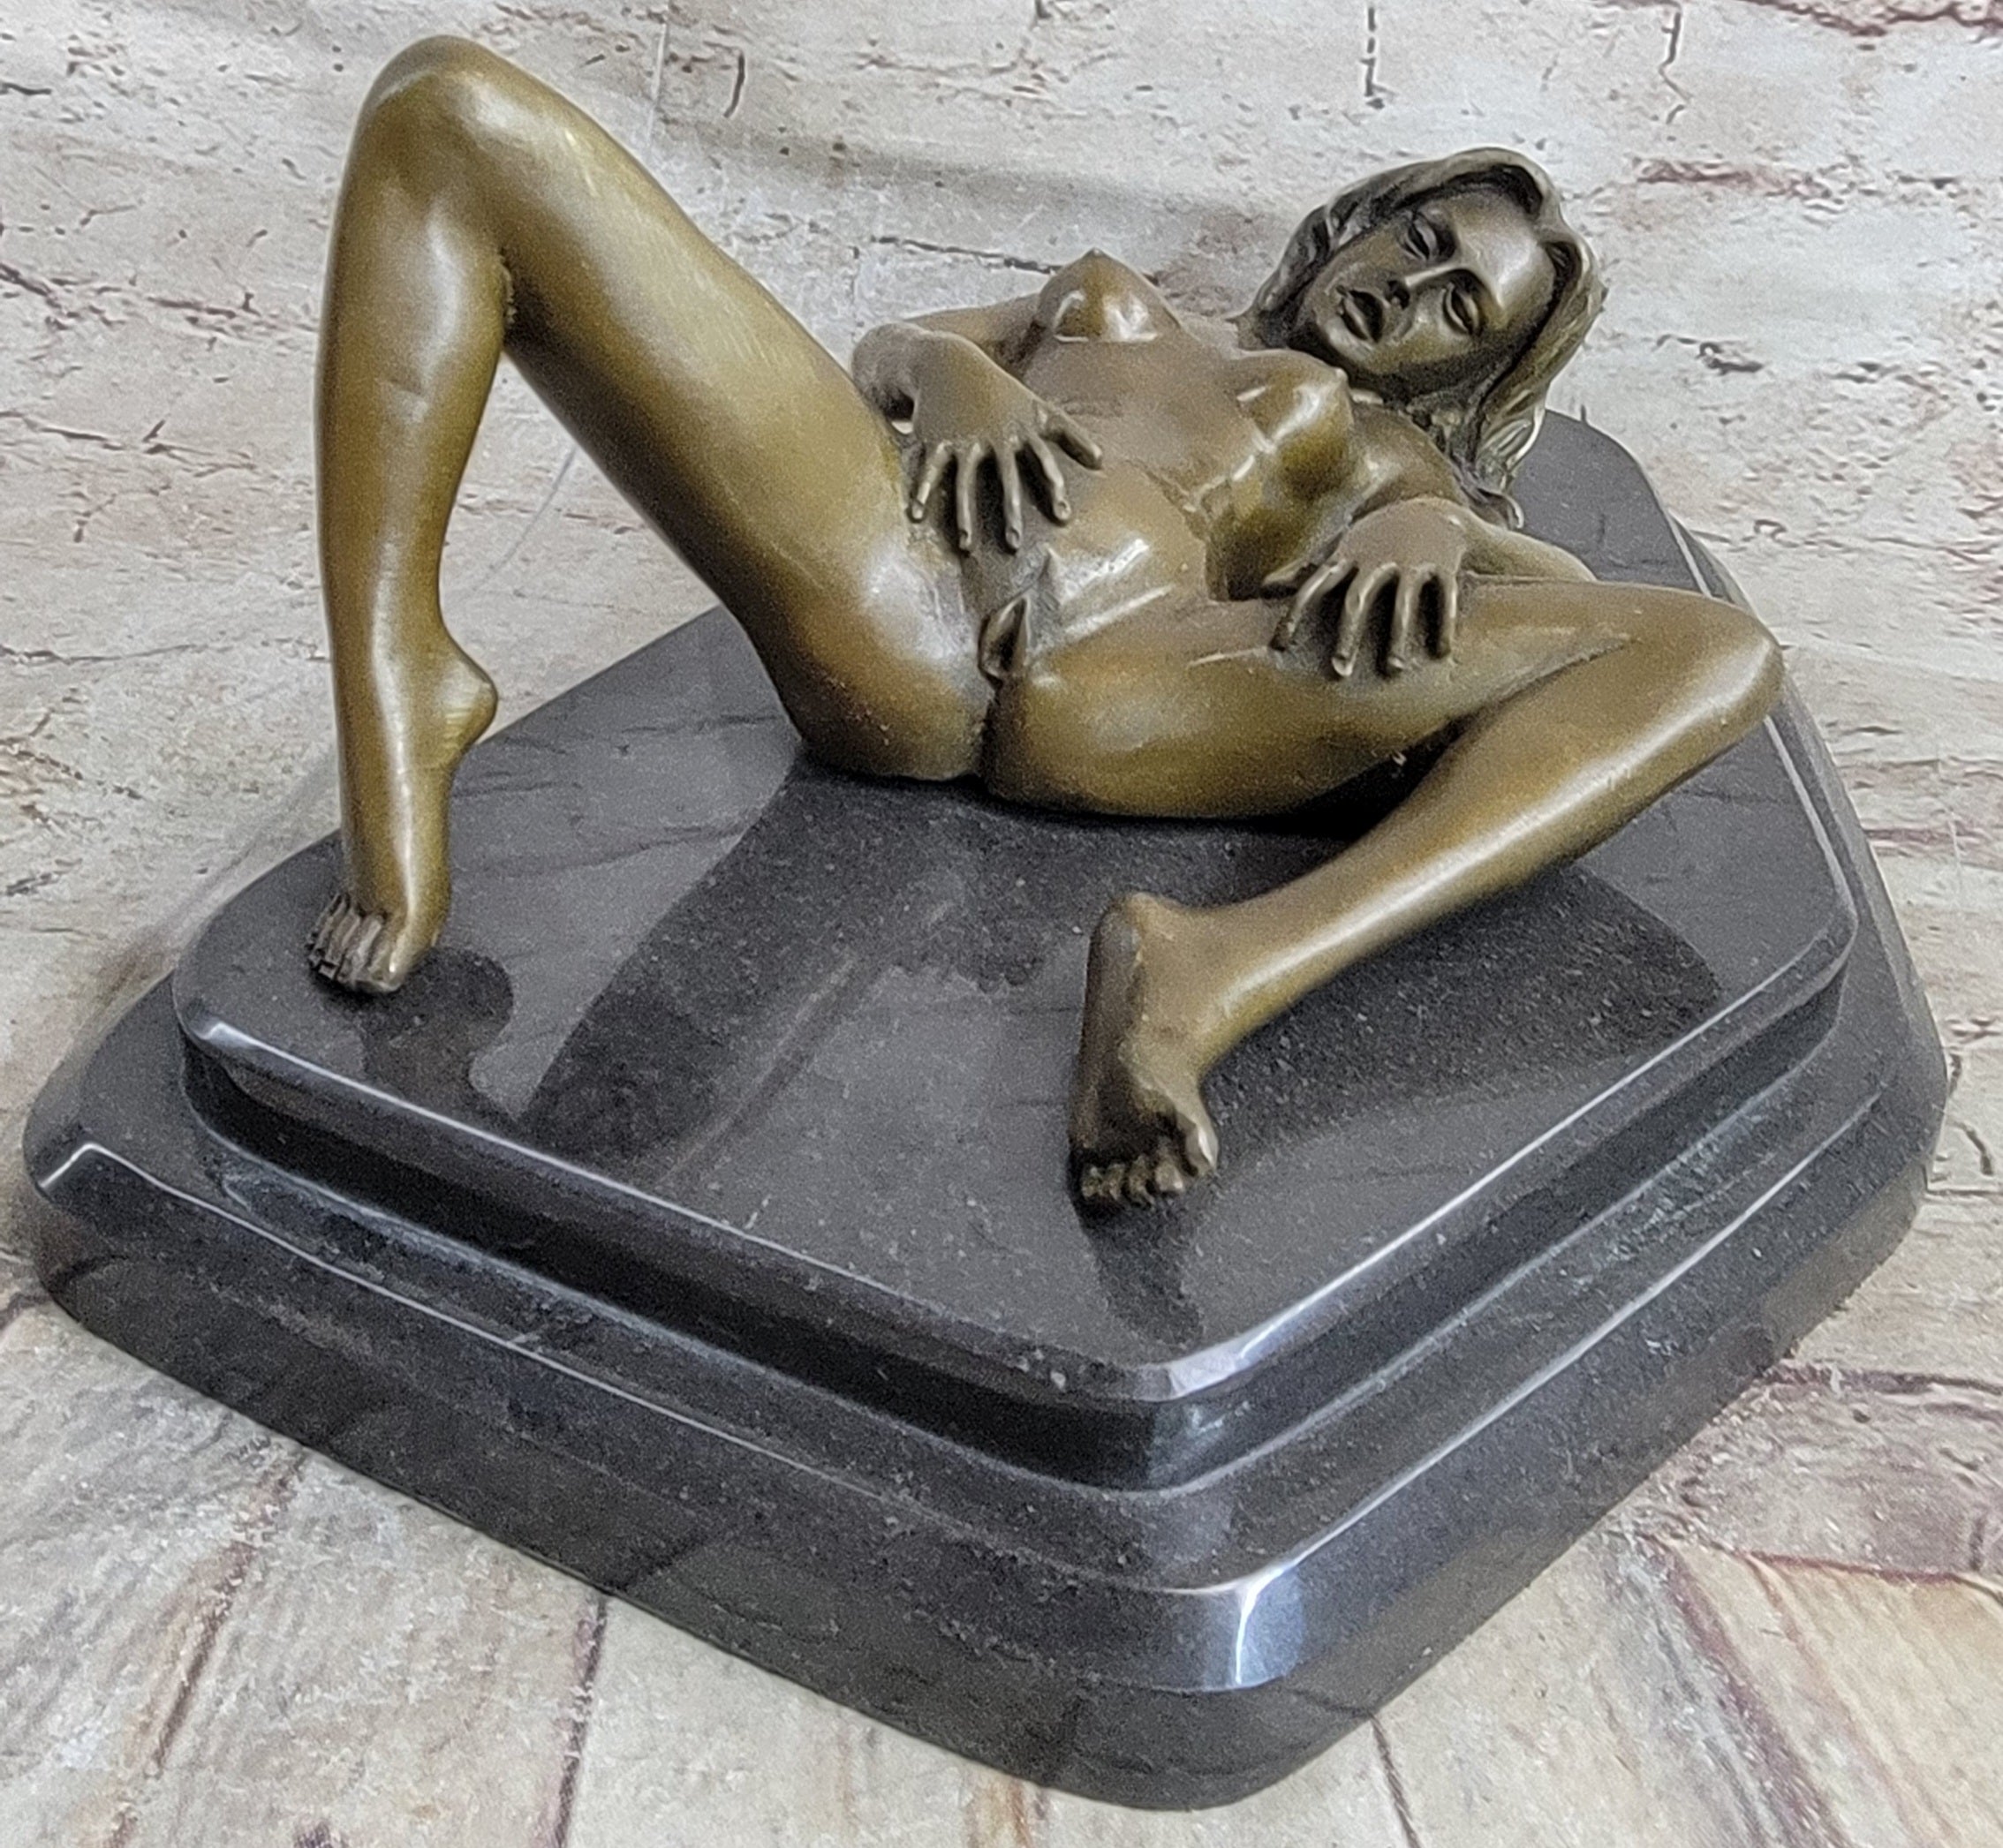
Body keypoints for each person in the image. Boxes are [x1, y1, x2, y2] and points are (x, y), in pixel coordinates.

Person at [306, 36, 1781, 1207]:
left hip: (1124, 680)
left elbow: (1573, 601)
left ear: (1468, 371)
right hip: (889, 585)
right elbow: (888, 353)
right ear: (1362, 220)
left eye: (1461, 311)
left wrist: (1434, 524)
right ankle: (401, 678)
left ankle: (1216, 970)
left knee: (1720, 651)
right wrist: (957, 376)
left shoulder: (1383, 452)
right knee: (448, 108)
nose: (1411, 293)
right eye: (1424, 241)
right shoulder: (1115, 299)